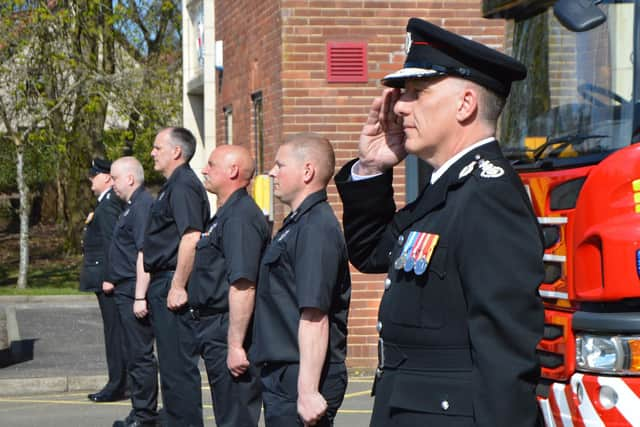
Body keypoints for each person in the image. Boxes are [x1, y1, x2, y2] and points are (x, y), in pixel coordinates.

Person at [334, 18, 545, 427]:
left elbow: (505, 359)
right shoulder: (446, 189)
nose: (398, 106)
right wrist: (372, 167)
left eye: (416, 92)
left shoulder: (488, 196)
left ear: (465, 104)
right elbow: (372, 252)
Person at [251, 133, 351, 427]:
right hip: (284, 373)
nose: (271, 172)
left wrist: (306, 391)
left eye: (279, 165)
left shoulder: (315, 229)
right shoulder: (297, 225)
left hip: (299, 376)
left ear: (307, 171)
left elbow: (314, 314)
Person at [187, 145, 269, 427]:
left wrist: (234, 345)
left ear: (233, 171)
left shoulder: (240, 218)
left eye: (211, 164)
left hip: (229, 329)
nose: (204, 170)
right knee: (227, 414)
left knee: (235, 417)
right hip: (215, 328)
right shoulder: (226, 214)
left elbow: (243, 285)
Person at [143, 127, 210, 427]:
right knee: (170, 368)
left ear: (176, 152)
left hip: (172, 281)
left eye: (158, 147)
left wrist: (178, 285)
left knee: (177, 369)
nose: (152, 153)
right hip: (163, 280)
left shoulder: (182, 185)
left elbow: (191, 236)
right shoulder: (174, 185)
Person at [107, 157, 158, 427]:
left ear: (129, 178)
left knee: (140, 356)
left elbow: (143, 252)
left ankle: (145, 415)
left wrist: (140, 295)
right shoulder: (131, 206)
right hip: (125, 288)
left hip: (133, 290)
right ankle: (139, 410)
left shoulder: (142, 206)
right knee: (133, 355)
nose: (112, 184)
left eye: (114, 178)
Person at [80, 157, 128, 403]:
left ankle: (117, 384)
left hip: (108, 280)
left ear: (107, 177)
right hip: (104, 277)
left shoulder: (109, 205)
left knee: (115, 333)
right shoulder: (106, 203)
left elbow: (112, 243)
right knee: (115, 332)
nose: (91, 179)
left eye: (94, 175)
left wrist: (110, 277)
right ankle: (120, 381)